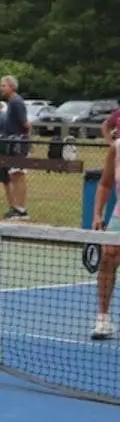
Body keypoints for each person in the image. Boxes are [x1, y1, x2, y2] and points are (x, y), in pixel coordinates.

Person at [91, 136, 120, 340]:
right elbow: (105, 185)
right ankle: (103, 319)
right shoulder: (117, 148)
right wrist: (98, 215)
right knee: (107, 259)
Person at [0, 75, 30, 220]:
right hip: (11, 142)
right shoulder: (10, 102)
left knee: (18, 174)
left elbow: (26, 124)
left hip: (18, 143)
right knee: (13, 175)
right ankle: (16, 207)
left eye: (3, 85)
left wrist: (25, 143)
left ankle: (21, 209)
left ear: (11, 86)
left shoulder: (16, 102)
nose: (1, 88)